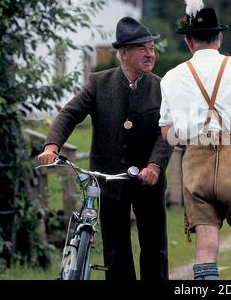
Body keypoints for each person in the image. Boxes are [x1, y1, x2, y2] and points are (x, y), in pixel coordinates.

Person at [37, 17, 174, 281]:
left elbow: (165, 133)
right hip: (109, 180)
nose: (150, 54)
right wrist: (52, 146)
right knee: (115, 252)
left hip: (149, 180)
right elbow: (69, 114)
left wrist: (155, 165)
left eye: (152, 48)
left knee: (155, 250)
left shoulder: (162, 87)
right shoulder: (98, 83)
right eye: (142, 48)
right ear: (123, 53)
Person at [159, 0, 231, 281]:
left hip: (196, 162)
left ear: (189, 42)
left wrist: (190, 139)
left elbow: (166, 131)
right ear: (220, 38)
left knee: (206, 246)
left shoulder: (171, 77)